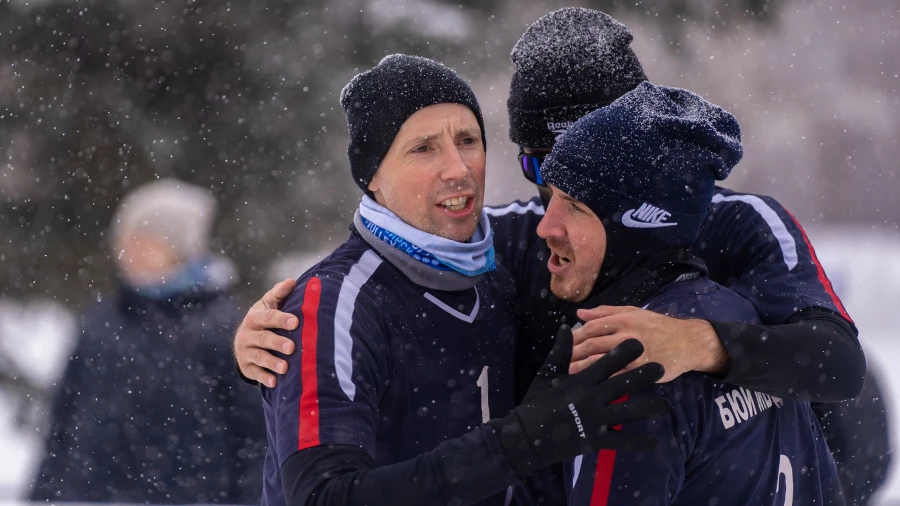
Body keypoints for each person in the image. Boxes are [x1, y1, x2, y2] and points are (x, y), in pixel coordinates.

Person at [235, 7, 882, 504]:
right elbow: (394, 256)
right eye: (538, 164)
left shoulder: (739, 224)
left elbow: (834, 362)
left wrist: (698, 343)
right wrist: (267, 330)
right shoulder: (527, 237)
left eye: (584, 168)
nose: (554, 196)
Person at [260, 54, 670, 506]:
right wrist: (522, 442)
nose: (458, 168)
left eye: (468, 140)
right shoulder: (335, 302)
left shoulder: (504, 255)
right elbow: (322, 496)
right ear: (371, 175)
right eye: (424, 148)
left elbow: (641, 227)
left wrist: (709, 340)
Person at [538, 80, 843, 505]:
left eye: (575, 206)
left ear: (637, 224)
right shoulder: (746, 312)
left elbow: (842, 363)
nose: (544, 226)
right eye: (550, 196)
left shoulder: (630, 364)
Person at [30, 179, 266, 503]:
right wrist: (44, 494)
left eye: (147, 242)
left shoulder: (226, 329)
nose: (131, 252)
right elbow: (62, 425)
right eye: (126, 240)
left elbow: (255, 438)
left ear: (181, 249)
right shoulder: (100, 322)